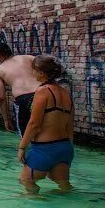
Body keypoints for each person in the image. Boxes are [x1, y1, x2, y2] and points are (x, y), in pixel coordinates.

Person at [18, 55, 75, 193]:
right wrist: (69, 149)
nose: (33, 73)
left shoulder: (43, 91)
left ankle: (38, 206)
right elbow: (70, 124)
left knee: (25, 181)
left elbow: (34, 124)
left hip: (44, 149)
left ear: (41, 73)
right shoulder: (66, 93)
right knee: (64, 186)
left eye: (34, 70)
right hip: (65, 148)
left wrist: (22, 148)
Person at [0, 42, 41, 136]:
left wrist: (6, 120)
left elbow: (1, 97)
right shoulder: (29, 58)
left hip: (24, 100)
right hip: (42, 93)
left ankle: (25, 150)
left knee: (26, 134)